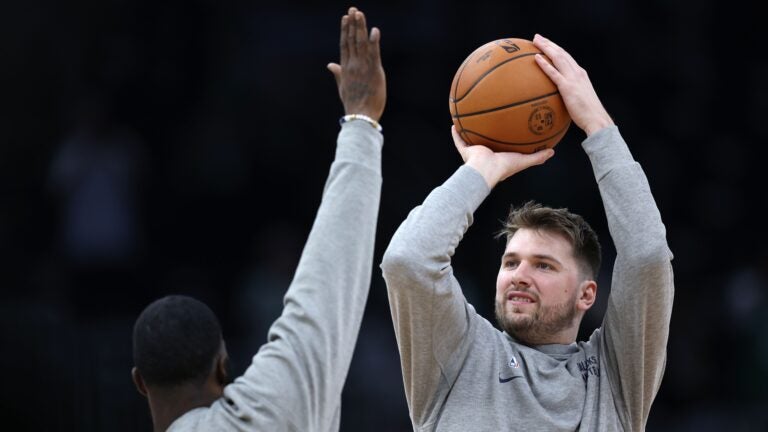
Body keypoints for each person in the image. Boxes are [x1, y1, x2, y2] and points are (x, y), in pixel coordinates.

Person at [381, 34, 673, 431]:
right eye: (511, 261)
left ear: (587, 294)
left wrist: (598, 125)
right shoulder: (461, 354)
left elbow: (647, 258)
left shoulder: (617, 377)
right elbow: (408, 261)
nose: (519, 274)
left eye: (544, 266)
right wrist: (479, 172)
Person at [131, 6, 386, 431]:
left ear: (140, 383)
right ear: (223, 363)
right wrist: (361, 120)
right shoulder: (272, 413)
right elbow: (327, 286)